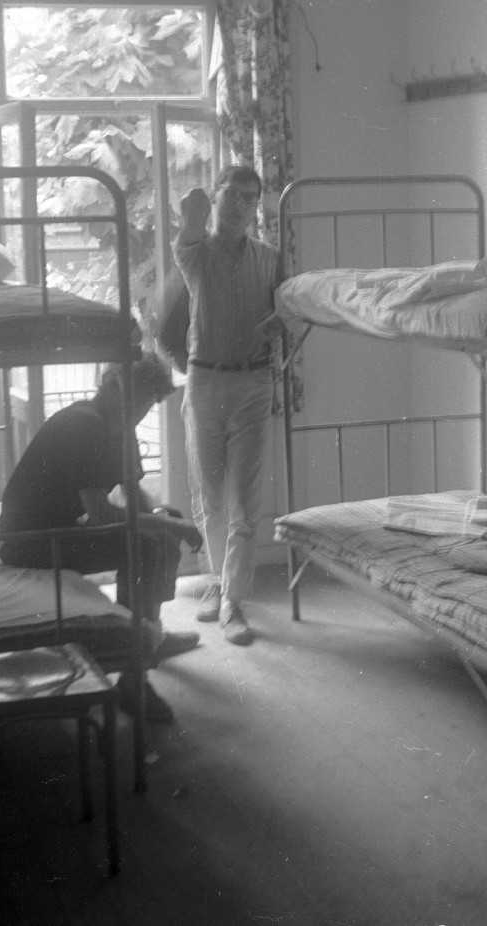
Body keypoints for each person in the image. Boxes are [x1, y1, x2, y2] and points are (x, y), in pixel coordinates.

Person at [0, 351, 203, 723]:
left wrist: (165, 522)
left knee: (163, 522)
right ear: (110, 385)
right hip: (30, 541)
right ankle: (133, 676)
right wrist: (167, 528)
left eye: (148, 402)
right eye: (137, 398)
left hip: (59, 529)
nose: (140, 410)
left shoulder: (120, 426)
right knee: (144, 543)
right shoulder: (85, 424)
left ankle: (150, 633)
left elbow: (134, 493)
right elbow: (102, 516)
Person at [174, 164, 283, 646]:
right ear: (216, 197)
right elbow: (189, 225)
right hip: (204, 381)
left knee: (244, 501)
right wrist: (193, 210)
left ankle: (233, 600)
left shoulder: (270, 259)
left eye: (250, 197)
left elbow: (290, 311)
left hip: (254, 383)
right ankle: (219, 583)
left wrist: (281, 322)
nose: (241, 204)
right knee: (209, 497)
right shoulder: (194, 253)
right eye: (233, 194)